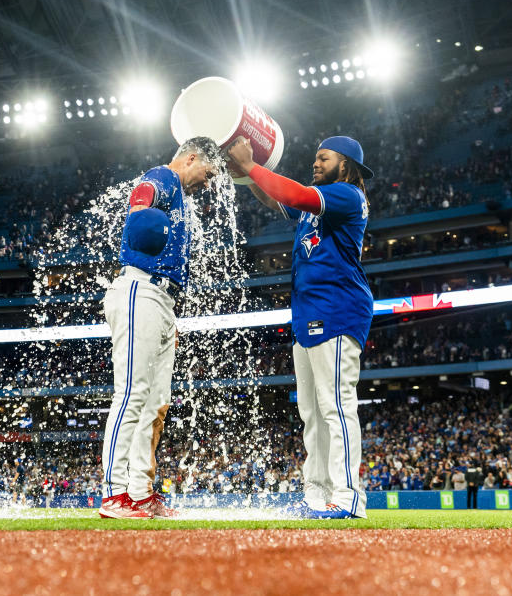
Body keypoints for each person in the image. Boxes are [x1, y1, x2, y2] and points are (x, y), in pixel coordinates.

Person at [228, 135, 374, 519]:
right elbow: (277, 200)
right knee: (312, 412)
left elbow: (293, 195)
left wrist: (252, 167)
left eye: (322, 157)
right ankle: (317, 494)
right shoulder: (318, 203)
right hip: (307, 311)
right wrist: (247, 176)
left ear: (346, 164)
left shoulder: (346, 194)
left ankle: (348, 497)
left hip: (338, 309)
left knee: (336, 407)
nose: (315, 163)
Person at [98, 136, 222, 519]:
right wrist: (140, 213)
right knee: (132, 394)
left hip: (162, 299)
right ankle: (115, 492)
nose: (209, 182)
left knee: (156, 403)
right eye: (208, 172)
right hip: (140, 287)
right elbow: (143, 194)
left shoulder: (183, 198)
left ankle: (140, 491)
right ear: (191, 158)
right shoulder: (164, 176)